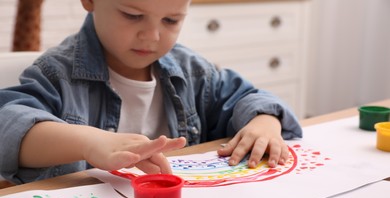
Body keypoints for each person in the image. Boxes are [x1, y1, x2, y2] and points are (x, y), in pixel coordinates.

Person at [0, 0, 302, 184]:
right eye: (132, 15)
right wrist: (90, 142)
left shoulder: (193, 70)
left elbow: (249, 98)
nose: (152, 35)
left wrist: (264, 123)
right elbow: (8, 124)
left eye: (171, 20)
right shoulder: (57, 73)